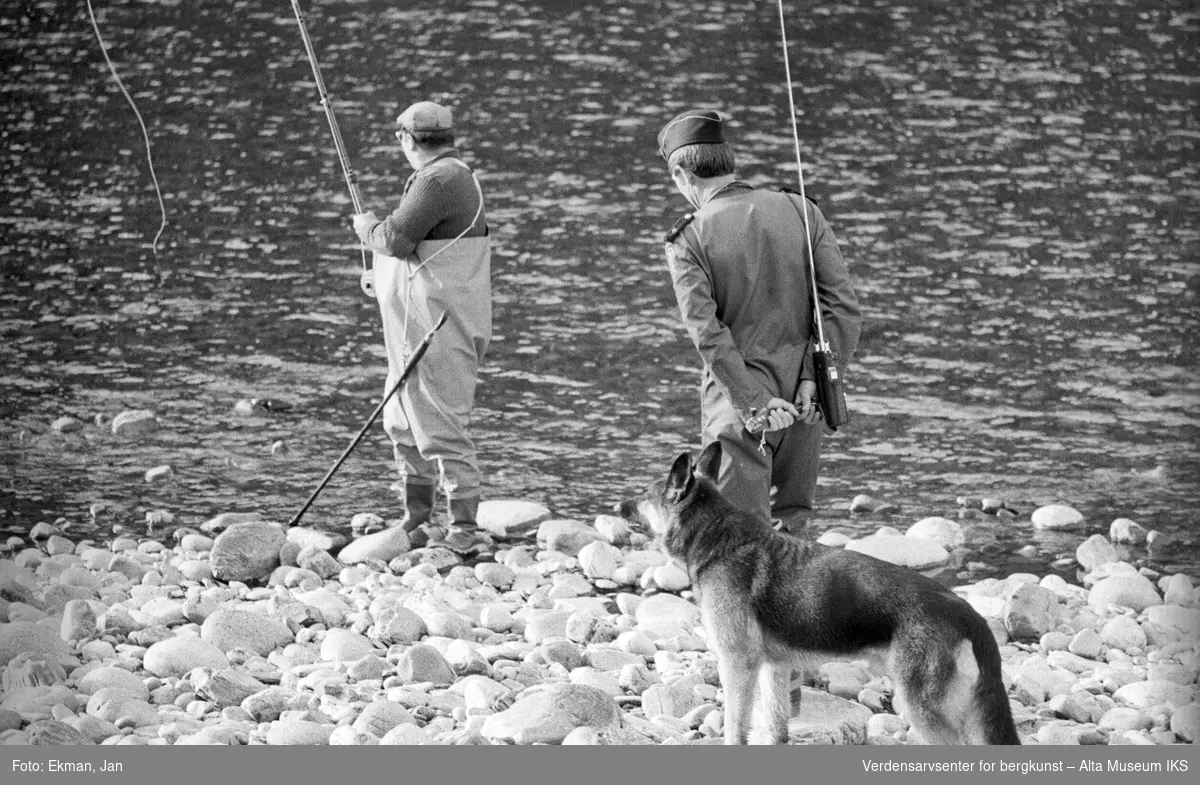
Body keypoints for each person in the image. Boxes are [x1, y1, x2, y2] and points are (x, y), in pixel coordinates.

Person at [657, 108, 863, 533]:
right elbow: (841, 308)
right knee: (792, 534)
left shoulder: (689, 237)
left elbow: (707, 334)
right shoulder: (801, 210)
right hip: (808, 400)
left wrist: (755, 403)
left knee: (737, 540)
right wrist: (812, 379)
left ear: (683, 176)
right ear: (728, 160)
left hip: (739, 407)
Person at [352, 100, 492, 554]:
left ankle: (464, 530)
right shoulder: (453, 175)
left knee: (442, 422)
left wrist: (365, 226)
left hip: (438, 330)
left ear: (406, 140)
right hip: (418, 327)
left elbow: (395, 238)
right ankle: (417, 516)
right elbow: (421, 252)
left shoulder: (439, 179)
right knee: (402, 418)